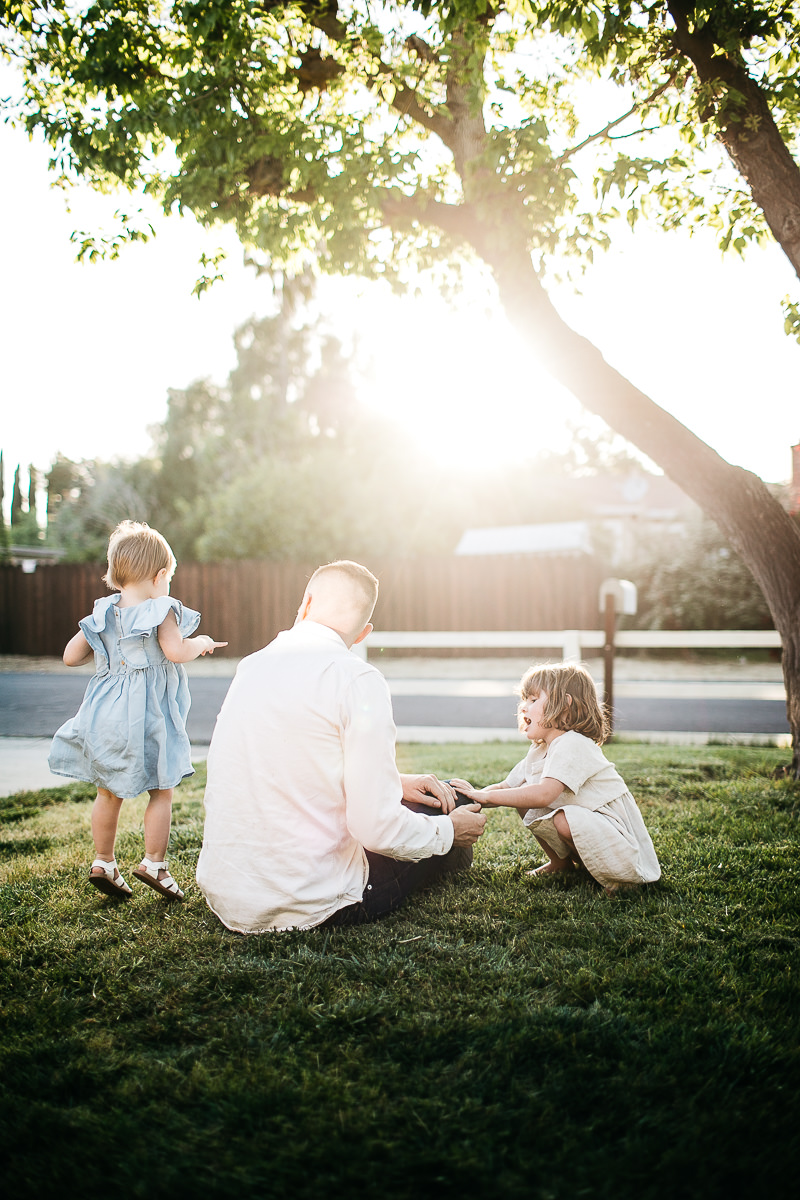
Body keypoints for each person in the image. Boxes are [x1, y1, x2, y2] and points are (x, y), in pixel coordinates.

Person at [196, 560, 486, 932]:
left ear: (305, 603)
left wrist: (394, 781)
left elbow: (288, 760)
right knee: (453, 804)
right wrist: (449, 831)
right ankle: (453, 842)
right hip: (311, 902)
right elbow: (375, 829)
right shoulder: (356, 678)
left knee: (422, 799)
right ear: (364, 633)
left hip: (229, 893)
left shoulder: (251, 667)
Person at [49, 521, 227, 901]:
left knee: (107, 792)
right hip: (149, 715)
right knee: (161, 789)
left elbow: (69, 657)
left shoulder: (103, 612)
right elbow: (176, 652)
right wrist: (202, 642)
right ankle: (154, 865)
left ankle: (104, 862)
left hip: (105, 716)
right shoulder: (161, 610)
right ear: (161, 575)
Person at [452, 662, 660, 894]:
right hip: (588, 824)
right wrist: (473, 797)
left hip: (617, 839)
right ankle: (561, 864)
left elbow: (544, 794)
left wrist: (488, 797)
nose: (523, 707)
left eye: (533, 700)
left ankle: (621, 878)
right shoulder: (541, 749)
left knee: (562, 818)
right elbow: (507, 786)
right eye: (524, 700)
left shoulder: (573, 743)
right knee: (523, 796)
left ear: (564, 706)